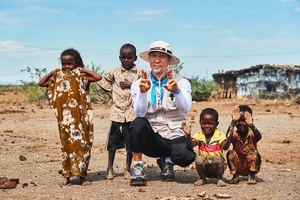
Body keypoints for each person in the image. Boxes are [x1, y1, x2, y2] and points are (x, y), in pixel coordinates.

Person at [128, 41, 196, 186]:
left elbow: (185, 109)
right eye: (154, 56)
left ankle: (167, 161)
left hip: (174, 134)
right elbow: (139, 112)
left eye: (162, 56)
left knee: (188, 155)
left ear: (169, 60)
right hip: (151, 136)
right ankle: (138, 167)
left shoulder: (182, 83)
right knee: (137, 124)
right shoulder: (139, 83)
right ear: (149, 59)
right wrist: (142, 93)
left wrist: (176, 92)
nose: (157, 60)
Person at [38, 48, 102, 186]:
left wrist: (83, 70)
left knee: (83, 146)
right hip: (65, 121)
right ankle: (66, 176)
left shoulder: (81, 77)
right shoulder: (58, 77)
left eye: (70, 63)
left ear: (76, 63)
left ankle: (82, 176)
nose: (66, 66)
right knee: (66, 146)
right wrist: (52, 73)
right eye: (64, 63)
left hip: (81, 118)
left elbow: (98, 77)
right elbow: (41, 83)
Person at [98, 43, 141, 180]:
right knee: (112, 144)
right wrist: (111, 95)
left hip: (131, 113)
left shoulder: (140, 73)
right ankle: (109, 169)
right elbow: (102, 81)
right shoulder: (115, 72)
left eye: (130, 57)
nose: (126, 60)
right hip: (117, 112)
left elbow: (145, 86)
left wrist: (132, 85)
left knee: (130, 144)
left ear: (135, 58)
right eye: (124, 57)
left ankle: (127, 169)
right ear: (119, 58)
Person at [182, 108, 230, 187]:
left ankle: (219, 179)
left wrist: (228, 139)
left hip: (217, 167)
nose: (207, 126)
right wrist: (188, 135)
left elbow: (225, 147)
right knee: (199, 159)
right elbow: (191, 145)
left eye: (210, 123)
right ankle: (202, 178)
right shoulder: (198, 134)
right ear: (200, 123)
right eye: (203, 123)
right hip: (205, 167)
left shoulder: (220, 135)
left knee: (217, 159)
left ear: (216, 124)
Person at [226, 105, 262, 184]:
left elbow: (259, 137)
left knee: (253, 153)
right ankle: (235, 176)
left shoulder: (252, 133)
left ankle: (251, 176)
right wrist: (233, 122)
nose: (240, 123)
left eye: (243, 120)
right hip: (238, 165)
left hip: (251, 166)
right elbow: (227, 138)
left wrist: (251, 125)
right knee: (230, 153)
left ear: (250, 120)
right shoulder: (235, 134)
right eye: (238, 121)